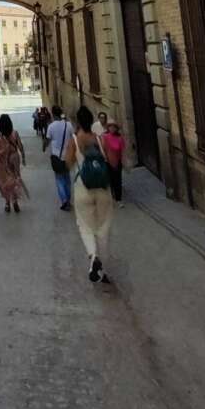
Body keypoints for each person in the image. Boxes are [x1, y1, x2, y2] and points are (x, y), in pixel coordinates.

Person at [67, 105, 114, 283]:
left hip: (83, 188)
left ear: (78, 122)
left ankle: (94, 257)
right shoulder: (99, 139)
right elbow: (109, 161)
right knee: (103, 228)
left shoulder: (74, 140)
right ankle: (104, 270)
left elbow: (68, 163)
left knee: (85, 226)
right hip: (102, 189)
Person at [0, 113, 28, 213]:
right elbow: (20, 146)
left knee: (5, 182)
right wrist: (23, 157)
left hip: (3, 161)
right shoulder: (14, 133)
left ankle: (7, 203)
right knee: (15, 180)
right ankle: (15, 202)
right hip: (14, 158)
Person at [46, 105, 74, 210]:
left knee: (59, 179)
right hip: (67, 156)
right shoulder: (69, 125)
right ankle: (68, 199)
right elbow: (73, 137)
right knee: (67, 179)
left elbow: (47, 140)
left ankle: (64, 201)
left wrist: (44, 147)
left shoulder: (51, 126)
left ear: (53, 114)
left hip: (56, 156)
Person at [104, 120, 126, 206]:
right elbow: (103, 149)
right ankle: (111, 196)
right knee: (110, 181)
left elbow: (122, 151)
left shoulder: (120, 138)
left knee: (118, 181)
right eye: (110, 127)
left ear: (116, 129)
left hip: (117, 162)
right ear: (108, 128)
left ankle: (118, 199)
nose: (112, 128)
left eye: (114, 127)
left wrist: (123, 161)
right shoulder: (105, 137)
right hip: (107, 162)